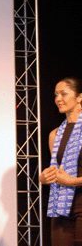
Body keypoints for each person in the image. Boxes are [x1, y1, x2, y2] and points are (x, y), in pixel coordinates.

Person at [39, 77, 82, 246]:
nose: (58, 99)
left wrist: (73, 181)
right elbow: (57, 171)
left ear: (79, 97)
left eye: (64, 93)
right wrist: (45, 178)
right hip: (61, 207)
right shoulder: (54, 134)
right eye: (56, 94)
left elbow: (69, 178)